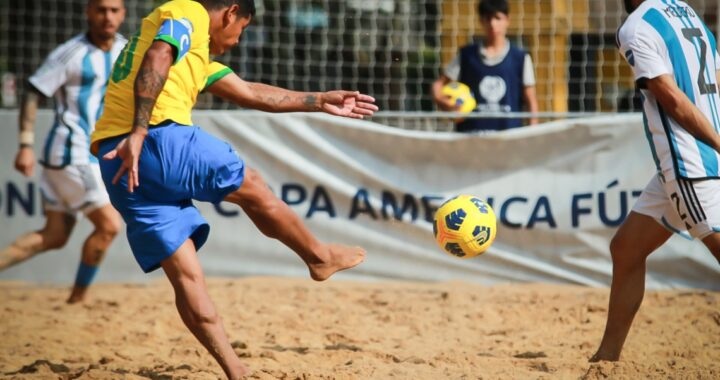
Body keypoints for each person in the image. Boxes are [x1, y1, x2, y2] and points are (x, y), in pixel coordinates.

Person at [89, 1, 378, 378]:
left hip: (116, 162)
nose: (237, 40)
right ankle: (319, 256)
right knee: (253, 186)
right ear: (230, 12)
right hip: (155, 138)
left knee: (186, 276)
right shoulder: (188, 12)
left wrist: (318, 100)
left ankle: (234, 370)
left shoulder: (190, 53)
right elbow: (161, 53)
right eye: (241, 29)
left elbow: (248, 92)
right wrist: (141, 131)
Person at [591, 0, 720, 362]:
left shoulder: (635, 27)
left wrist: (717, 144)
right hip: (681, 167)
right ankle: (606, 361)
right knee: (626, 250)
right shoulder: (685, 11)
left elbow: (673, 99)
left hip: (691, 163)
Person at [0, 0, 126, 304]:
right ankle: (77, 302)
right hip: (73, 153)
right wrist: (26, 145)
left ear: (122, 13)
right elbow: (33, 93)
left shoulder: (126, 49)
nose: (107, 16)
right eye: (100, 9)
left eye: (114, 10)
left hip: (81, 156)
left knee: (54, 236)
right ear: (88, 12)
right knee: (109, 226)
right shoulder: (70, 53)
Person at [432, 0, 539, 131]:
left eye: (498, 18)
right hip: (471, 137)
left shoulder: (520, 58)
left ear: (507, 20)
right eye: (488, 18)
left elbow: (531, 100)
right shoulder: (467, 55)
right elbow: (438, 85)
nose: (493, 24)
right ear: (481, 21)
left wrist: (533, 132)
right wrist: (443, 102)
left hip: (508, 137)